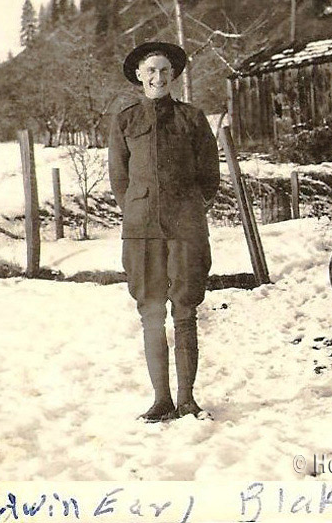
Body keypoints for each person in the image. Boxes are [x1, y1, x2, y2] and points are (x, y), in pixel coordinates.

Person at [108, 41, 220, 423]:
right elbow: (119, 179)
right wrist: (141, 209)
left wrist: (186, 206)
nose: (158, 77)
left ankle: (187, 399)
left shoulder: (192, 118)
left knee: (185, 308)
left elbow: (209, 177)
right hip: (141, 230)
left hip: (186, 228)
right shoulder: (124, 121)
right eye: (151, 70)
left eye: (165, 71)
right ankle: (161, 400)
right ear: (139, 75)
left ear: (173, 77)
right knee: (151, 311)